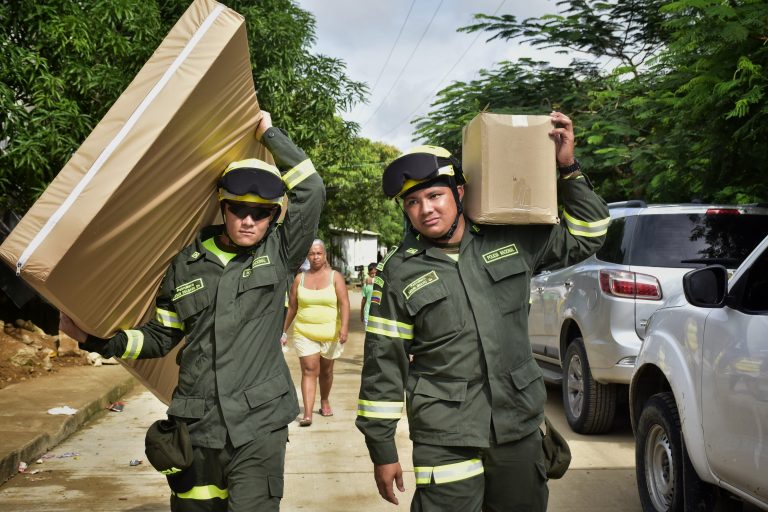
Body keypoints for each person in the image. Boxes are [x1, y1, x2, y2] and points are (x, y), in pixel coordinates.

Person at [60, 111, 325, 512]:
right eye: (239, 209)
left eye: (262, 212)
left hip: (260, 422)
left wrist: (269, 134)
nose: (249, 220)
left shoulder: (280, 252)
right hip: (196, 423)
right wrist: (99, 340)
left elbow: (312, 188)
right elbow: (161, 335)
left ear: (274, 216)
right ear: (223, 206)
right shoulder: (185, 264)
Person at [355, 111, 609, 511]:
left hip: (518, 425)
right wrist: (382, 448)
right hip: (445, 434)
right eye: (413, 202)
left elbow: (589, 234)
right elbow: (384, 364)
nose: (426, 210)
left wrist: (567, 168)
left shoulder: (512, 238)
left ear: (459, 191)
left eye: (435, 195)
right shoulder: (398, 273)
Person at [283, 239, 350, 427]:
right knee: (309, 370)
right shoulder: (300, 279)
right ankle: (307, 414)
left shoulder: (335, 277)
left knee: (326, 372)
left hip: (330, 333)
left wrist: (344, 327)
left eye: (319, 253)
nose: (315, 257)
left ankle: (325, 400)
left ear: (325, 255)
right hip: (305, 332)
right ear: (307, 256)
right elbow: (292, 307)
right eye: (312, 253)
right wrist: (283, 331)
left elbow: (344, 303)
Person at [360, 262, 377, 327]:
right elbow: (364, 299)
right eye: (372, 273)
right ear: (368, 274)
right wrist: (361, 313)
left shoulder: (380, 285)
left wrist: (373, 281)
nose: (374, 275)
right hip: (368, 314)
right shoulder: (366, 285)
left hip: (378, 315)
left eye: (376, 273)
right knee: (368, 334)